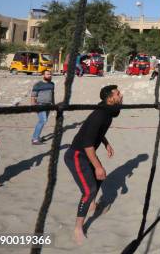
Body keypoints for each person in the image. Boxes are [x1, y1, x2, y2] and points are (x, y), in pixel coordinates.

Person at [64, 85, 123, 244]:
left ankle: (92, 206)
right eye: (118, 93)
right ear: (110, 98)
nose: (121, 95)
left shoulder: (108, 112)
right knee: (89, 190)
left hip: (86, 153)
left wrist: (106, 143)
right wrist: (98, 166)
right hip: (76, 156)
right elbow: (88, 145)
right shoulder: (100, 115)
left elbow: (97, 132)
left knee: (99, 180)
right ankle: (78, 229)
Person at [30, 70, 55, 145]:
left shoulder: (52, 84)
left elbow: (52, 94)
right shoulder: (38, 84)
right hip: (40, 105)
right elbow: (33, 96)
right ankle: (35, 139)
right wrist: (33, 106)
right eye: (47, 74)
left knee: (43, 120)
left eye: (50, 74)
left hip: (49, 105)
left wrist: (53, 104)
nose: (49, 75)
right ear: (43, 75)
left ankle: (37, 137)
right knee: (42, 121)